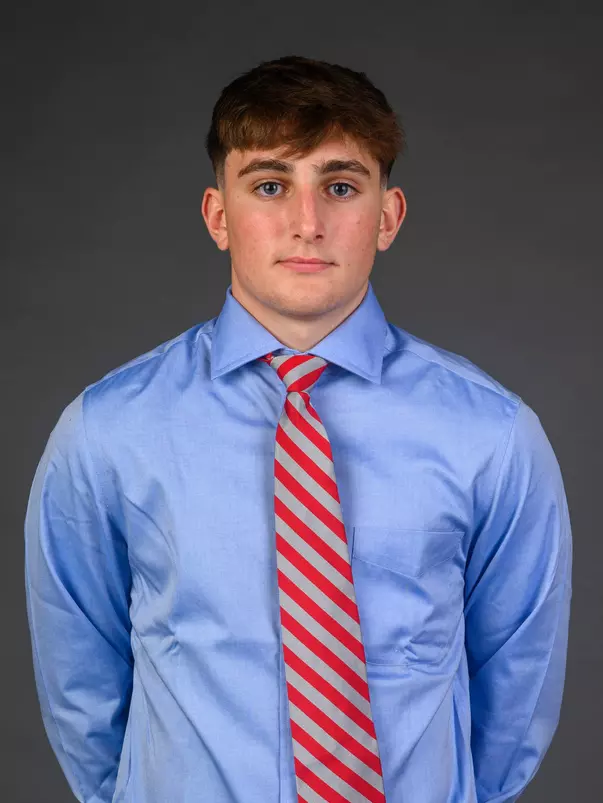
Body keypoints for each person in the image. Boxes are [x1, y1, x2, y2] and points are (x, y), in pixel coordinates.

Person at [24, 55, 573, 803]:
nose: (307, 224)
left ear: (388, 216)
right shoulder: (107, 431)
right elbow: (80, 689)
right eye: (270, 185)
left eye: (340, 186)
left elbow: (515, 694)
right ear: (218, 216)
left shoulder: (493, 434)